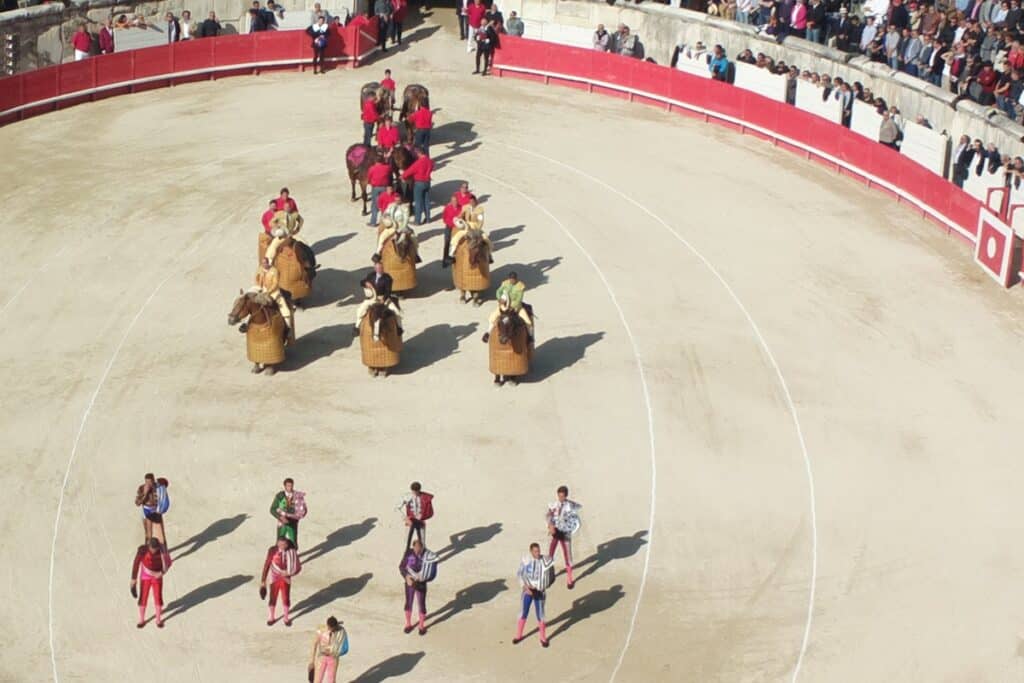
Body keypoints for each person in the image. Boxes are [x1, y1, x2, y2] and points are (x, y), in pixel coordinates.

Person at [514, 543, 553, 647]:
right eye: (535, 551)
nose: (538, 553)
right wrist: (525, 587)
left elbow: (549, 577)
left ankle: (543, 638)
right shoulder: (526, 560)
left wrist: (542, 586)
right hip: (527, 591)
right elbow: (519, 574)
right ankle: (518, 635)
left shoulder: (545, 561)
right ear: (531, 551)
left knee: (540, 614)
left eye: (538, 551)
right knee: (523, 612)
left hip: (539, 591)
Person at [546, 485, 582, 589]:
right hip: (556, 531)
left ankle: (569, 579)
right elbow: (549, 516)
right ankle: (550, 574)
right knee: (551, 552)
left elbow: (577, 521)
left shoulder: (570, 506)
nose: (560, 498)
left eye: (562, 496)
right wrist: (550, 526)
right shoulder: (555, 504)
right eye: (559, 496)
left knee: (567, 555)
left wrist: (570, 531)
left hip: (565, 532)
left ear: (566, 496)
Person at [354, 257, 403, 334]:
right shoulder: (371, 275)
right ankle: (357, 327)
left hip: (383, 298)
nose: (380, 270)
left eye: (381, 268)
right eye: (378, 268)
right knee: (361, 310)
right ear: (375, 269)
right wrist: (366, 283)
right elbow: (362, 282)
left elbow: (388, 291)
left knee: (396, 311)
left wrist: (384, 299)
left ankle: (399, 328)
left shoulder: (387, 278)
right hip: (372, 299)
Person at [131, 538, 171, 628]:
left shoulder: (162, 551)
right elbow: (136, 563)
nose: (153, 551)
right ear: (149, 546)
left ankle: (158, 620)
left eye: (155, 549)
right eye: (152, 548)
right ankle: (141, 619)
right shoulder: (142, 550)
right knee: (143, 596)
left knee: (158, 596)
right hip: (145, 576)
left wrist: (161, 573)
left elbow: (168, 562)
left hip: (157, 576)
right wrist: (133, 579)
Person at [399, 539, 437, 635]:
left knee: (421, 604)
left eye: (419, 547)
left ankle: (421, 625)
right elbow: (402, 567)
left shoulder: (427, 556)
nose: (417, 549)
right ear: (413, 546)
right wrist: (406, 577)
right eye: (415, 547)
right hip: (410, 582)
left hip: (421, 583)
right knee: (409, 602)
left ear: (422, 547)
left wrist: (424, 579)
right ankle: (408, 624)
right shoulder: (408, 553)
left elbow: (432, 573)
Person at [261, 537, 300, 626]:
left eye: (284, 544)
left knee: (286, 597)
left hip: (286, 577)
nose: (283, 546)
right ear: (277, 544)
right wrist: (263, 580)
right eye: (281, 544)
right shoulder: (272, 550)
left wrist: (290, 572)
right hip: (275, 577)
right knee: (273, 596)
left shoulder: (291, 552)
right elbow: (267, 564)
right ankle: (271, 616)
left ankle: (286, 617)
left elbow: (296, 565)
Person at [483, 271, 533, 342]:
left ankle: (530, 336)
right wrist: (499, 298)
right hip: (504, 306)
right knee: (492, 317)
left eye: (513, 279)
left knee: (528, 322)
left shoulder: (520, 286)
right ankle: (488, 333)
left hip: (516, 308)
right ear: (509, 279)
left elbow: (519, 299)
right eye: (511, 279)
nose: (512, 280)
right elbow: (498, 291)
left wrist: (512, 306)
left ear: (516, 279)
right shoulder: (505, 283)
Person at [308, 616, 349, 683]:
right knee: (317, 680)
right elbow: (314, 644)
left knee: (331, 681)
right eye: (330, 628)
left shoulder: (341, 631)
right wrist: (312, 661)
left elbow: (345, 648)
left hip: (333, 657)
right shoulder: (321, 630)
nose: (331, 630)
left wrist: (336, 652)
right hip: (322, 657)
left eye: (333, 629)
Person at [135, 473, 171, 545]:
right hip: (146, 511)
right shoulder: (142, 488)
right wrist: (145, 493)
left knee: (161, 533)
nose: (148, 484)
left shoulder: (158, 488)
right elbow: (137, 503)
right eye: (146, 482)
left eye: (150, 482)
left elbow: (163, 497)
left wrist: (160, 510)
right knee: (148, 533)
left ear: (153, 480)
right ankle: (147, 549)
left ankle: (163, 550)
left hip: (156, 511)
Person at [400, 147, 434, 225]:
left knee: (418, 202)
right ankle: (428, 218)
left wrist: (403, 176)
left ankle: (417, 221)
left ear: (419, 153)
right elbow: (432, 167)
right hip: (427, 182)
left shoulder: (419, 162)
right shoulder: (430, 161)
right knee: (426, 201)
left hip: (419, 183)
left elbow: (410, 170)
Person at [269, 478, 307, 546]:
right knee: (279, 541)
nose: (290, 488)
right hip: (282, 522)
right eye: (288, 486)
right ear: (285, 486)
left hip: (292, 522)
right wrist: (280, 517)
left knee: (293, 541)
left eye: (291, 486)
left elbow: (303, 508)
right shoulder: (280, 496)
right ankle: (279, 556)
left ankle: (293, 555)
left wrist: (301, 513)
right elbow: (272, 509)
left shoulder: (297, 496)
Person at [402, 481, 433, 549]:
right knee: (407, 540)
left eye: (417, 491)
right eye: (414, 491)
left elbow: (429, 509)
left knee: (422, 541)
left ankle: (422, 555)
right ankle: (407, 555)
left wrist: (424, 516)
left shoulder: (424, 497)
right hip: (410, 520)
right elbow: (397, 508)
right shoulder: (407, 496)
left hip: (420, 520)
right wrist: (406, 518)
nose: (415, 493)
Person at [367, 156, 393, 227]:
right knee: (384, 204)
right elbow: (390, 176)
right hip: (385, 187)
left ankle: (373, 222)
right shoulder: (387, 167)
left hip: (375, 187)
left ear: (375, 161)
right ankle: (385, 221)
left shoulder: (372, 168)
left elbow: (369, 178)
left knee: (375, 204)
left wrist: (371, 183)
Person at [441, 194, 461, 267]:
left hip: (458, 227)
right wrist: (451, 223)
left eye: (455, 201)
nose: (454, 202)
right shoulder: (448, 207)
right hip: (449, 226)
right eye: (453, 201)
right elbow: (444, 218)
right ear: (451, 201)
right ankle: (445, 260)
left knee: (457, 243)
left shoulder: (460, 208)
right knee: (447, 242)